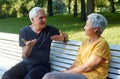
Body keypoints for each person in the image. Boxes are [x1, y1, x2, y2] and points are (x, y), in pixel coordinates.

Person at [2, 7, 68, 79]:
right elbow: (25, 55)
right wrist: (29, 47)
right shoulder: (24, 31)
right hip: (26, 64)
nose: (44, 20)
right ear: (32, 19)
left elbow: (65, 35)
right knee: (6, 76)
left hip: (41, 66)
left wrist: (63, 37)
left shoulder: (50, 30)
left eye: (45, 17)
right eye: (41, 18)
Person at [42, 13, 111, 79]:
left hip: (91, 76)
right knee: (51, 76)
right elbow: (78, 61)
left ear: (95, 29)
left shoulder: (101, 44)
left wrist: (67, 73)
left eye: (87, 25)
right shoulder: (86, 41)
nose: (84, 27)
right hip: (80, 74)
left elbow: (88, 67)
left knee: (49, 77)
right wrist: (66, 71)